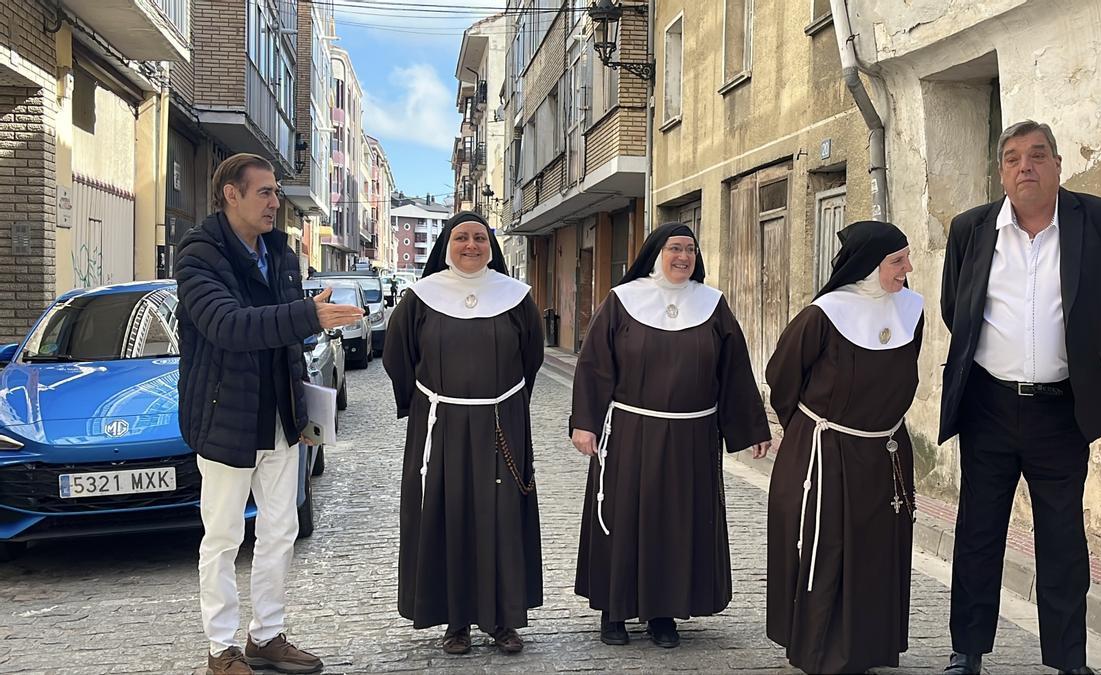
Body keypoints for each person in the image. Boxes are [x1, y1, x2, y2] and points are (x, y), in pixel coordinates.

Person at [939, 121, 1101, 675]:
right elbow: (957, 308)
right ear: (1001, 173)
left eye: (1037, 155)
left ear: (1056, 164)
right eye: (1012, 159)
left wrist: (1071, 346)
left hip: (1061, 409)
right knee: (978, 533)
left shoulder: (1097, 220)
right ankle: (967, 652)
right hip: (989, 407)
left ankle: (1068, 660)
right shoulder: (971, 229)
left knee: (1062, 542)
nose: (1025, 166)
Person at [176, 153, 365, 675]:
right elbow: (228, 326)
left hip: (281, 420)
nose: (275, 202)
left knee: (280, 531)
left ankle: (266, 635)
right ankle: (221, 649)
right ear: (230, 195)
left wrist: (306, 413)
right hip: (225, 419)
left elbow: (288, 347)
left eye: (276, 192)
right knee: (222, 538)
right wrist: (307, 313)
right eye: (264, 192)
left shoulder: (280, 254)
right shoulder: (198, 254)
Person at [570, 222, 772, 649]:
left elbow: (733, 370)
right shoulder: (622, 301)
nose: (683, 257)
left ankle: (664, 613)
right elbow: (594, 365)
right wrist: (585, 423)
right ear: (655, 253)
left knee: (676, 522)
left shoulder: (712, 305)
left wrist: (752, 426)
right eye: (675, 248)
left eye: (691, 250)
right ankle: (614, 610)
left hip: (692, 438)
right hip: (630, 431)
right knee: (624, 518)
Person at [764, 220, 924, 673]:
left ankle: (868, 648)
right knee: (828, 547)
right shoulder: (825, 314)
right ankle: (819, 649)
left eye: (906, 258)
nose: (907, 268)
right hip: (826, 451)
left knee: (876, 551)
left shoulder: (912, 310)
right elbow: (782, 376)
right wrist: (807, 433)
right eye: (898, 260)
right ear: (870, 266)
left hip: (885, 451)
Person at [383, 212, 544, 656]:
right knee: (446, 514)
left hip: (499, 424)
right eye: (461, 238)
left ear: (490, 244)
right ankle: (455, 621)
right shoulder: (420, 298)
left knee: (501, 517)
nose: (470, 245)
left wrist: (508, 403)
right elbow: (398, 357)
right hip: (441, 425)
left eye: (479, 237)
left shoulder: (516, 298)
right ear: (446, 246)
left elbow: (531, 357)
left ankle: (504, 619)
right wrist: (418, 406)